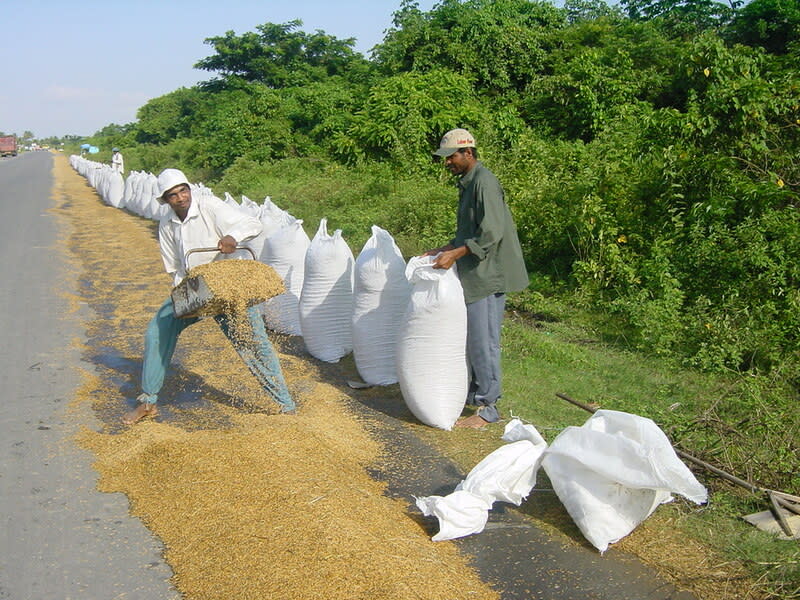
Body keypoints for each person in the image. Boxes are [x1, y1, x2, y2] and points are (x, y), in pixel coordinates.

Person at [123, 168, 295, 425]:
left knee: (253, 343)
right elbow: (175, 268)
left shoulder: (209, 206)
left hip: (228, 286)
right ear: (165, 200)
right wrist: (183, 300)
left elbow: (252, 223)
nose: (181, 198)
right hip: (195, 287)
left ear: (189, 189)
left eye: (183, 190)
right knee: (158, 330)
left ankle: (286, 405)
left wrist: (231, 236)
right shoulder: (167, 223)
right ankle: (148, 401)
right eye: (173, 195)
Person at [423, 128, 529, 429]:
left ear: (468, 153)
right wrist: (442, 249)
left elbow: (491, 232)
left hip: (488, 273)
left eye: (451, 157)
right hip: (474, 271)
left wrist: (455, 255)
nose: (447, 163)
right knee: (470, 338)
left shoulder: (485, 182)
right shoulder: (467, 184)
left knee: (484, 342)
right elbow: (467, 232)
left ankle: (488, 408)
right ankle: (472, 394)